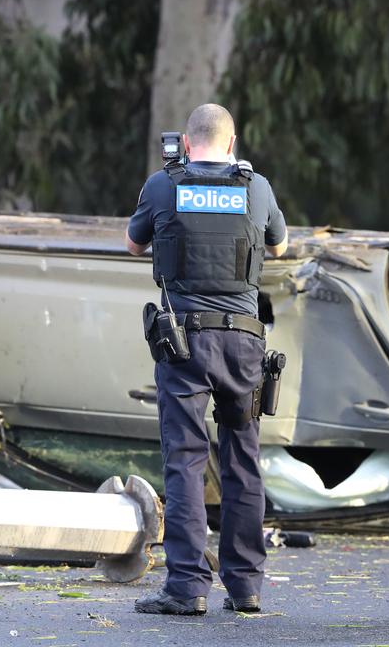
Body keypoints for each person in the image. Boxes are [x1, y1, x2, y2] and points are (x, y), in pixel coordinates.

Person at [125, 103, 287, 616]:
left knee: (186, 461)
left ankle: (188, 588)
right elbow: (279, 247)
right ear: (232, 143)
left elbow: (133, 244)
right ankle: (246, 588)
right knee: (242, 459)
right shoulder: (256, 187)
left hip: (184, 344)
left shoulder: (162, 184)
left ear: (187, 143)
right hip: (243, 343)